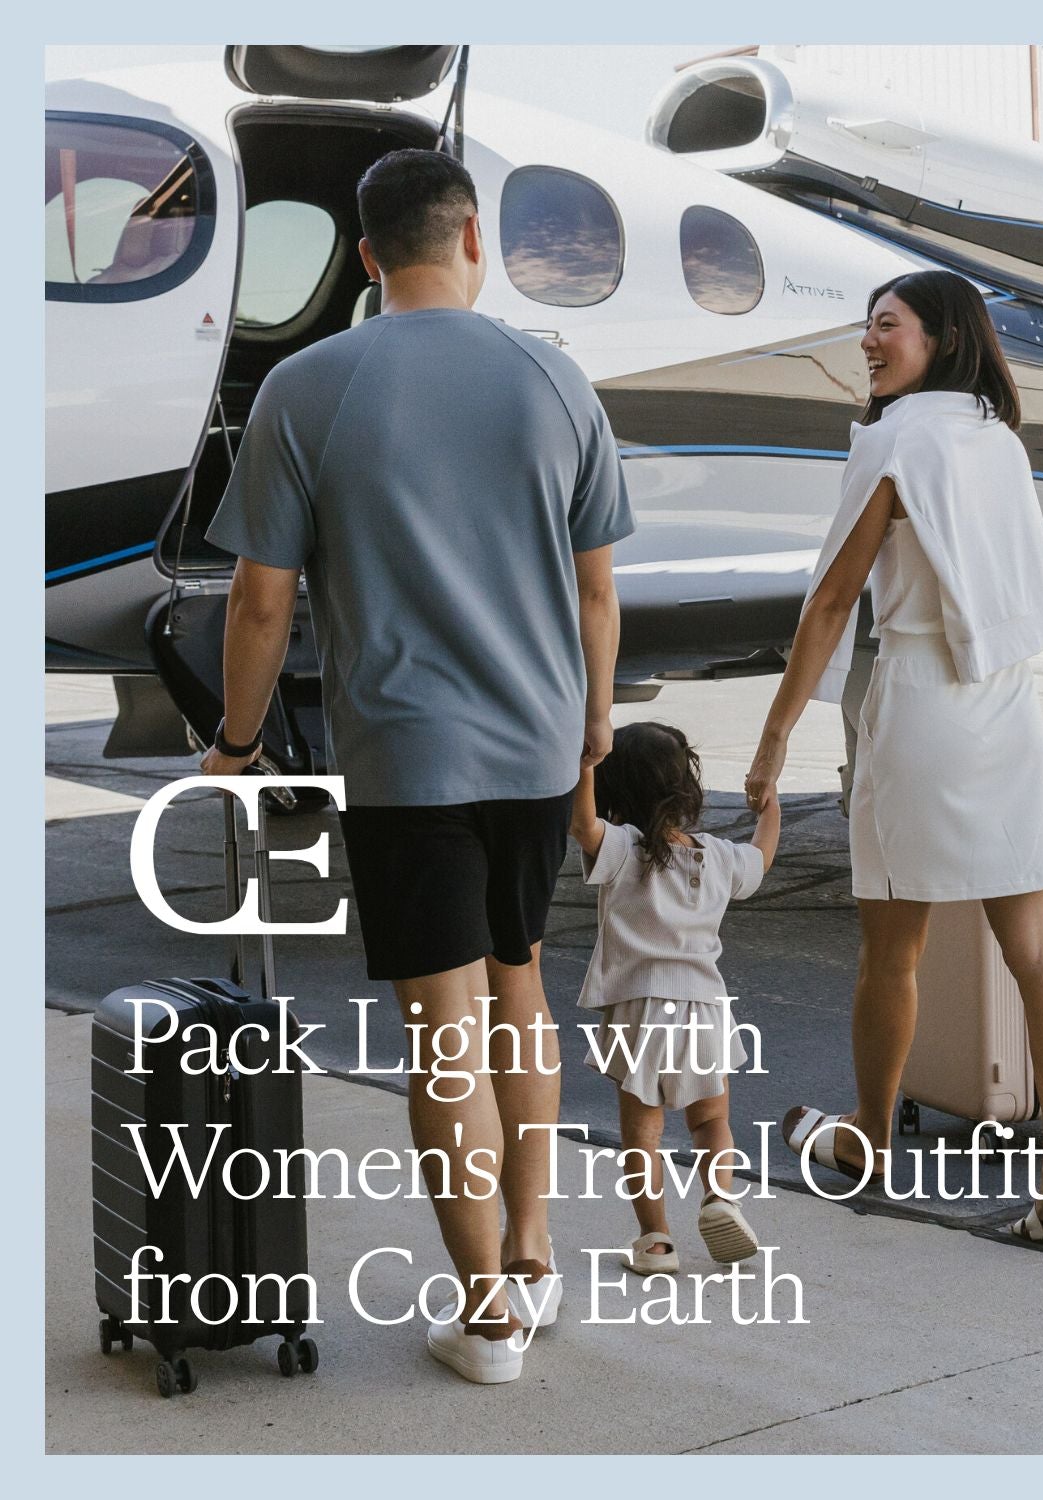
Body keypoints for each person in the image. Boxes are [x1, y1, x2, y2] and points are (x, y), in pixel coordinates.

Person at [199, 149, 635, 1382]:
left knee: (441, 1031)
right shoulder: (556, 379)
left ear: (364, 253)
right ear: (475, 240)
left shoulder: (308, 384)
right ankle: (536, 1252)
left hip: (408, 754)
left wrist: (237, 744)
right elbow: (599, 588)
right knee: (521, 991)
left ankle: (486, 1312)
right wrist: (593, 726)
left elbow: (259, 600)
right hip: (541, 746)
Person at [744, 268, 1043, 1242]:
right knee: (1038, 957)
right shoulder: (998, 440)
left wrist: (774, 737)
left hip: (920, 710)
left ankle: (867, 1135)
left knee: (892, 955)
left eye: (886, 326)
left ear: (939, 336)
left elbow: (830, 600)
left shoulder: (896, 437)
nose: (868, 341)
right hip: (1008, 707)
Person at [570, 722, 780, 1272]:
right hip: (706, 1008)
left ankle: (656, 1241)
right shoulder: (716, 856)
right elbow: (763, 854)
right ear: (687, 788)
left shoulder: (622, 849)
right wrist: (768, 803)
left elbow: (582, 823)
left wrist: (585, 766)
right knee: (712, 1121)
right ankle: (720, 1197)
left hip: (639, 1008)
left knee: (644, 1132)